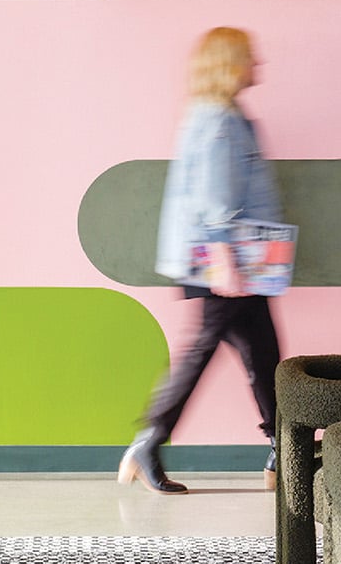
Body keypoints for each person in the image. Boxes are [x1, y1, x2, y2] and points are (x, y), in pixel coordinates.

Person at [118, 27, 283, 495]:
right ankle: (151, 438)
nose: (258, 65)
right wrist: (224, 258)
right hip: (223, 260)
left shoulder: (223, 115)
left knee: (263, 352)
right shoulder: (217, 119)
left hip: (229, 258)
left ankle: (281, 449)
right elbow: (213, 196)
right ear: (230, 63)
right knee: (210, 348)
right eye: (250, 57)